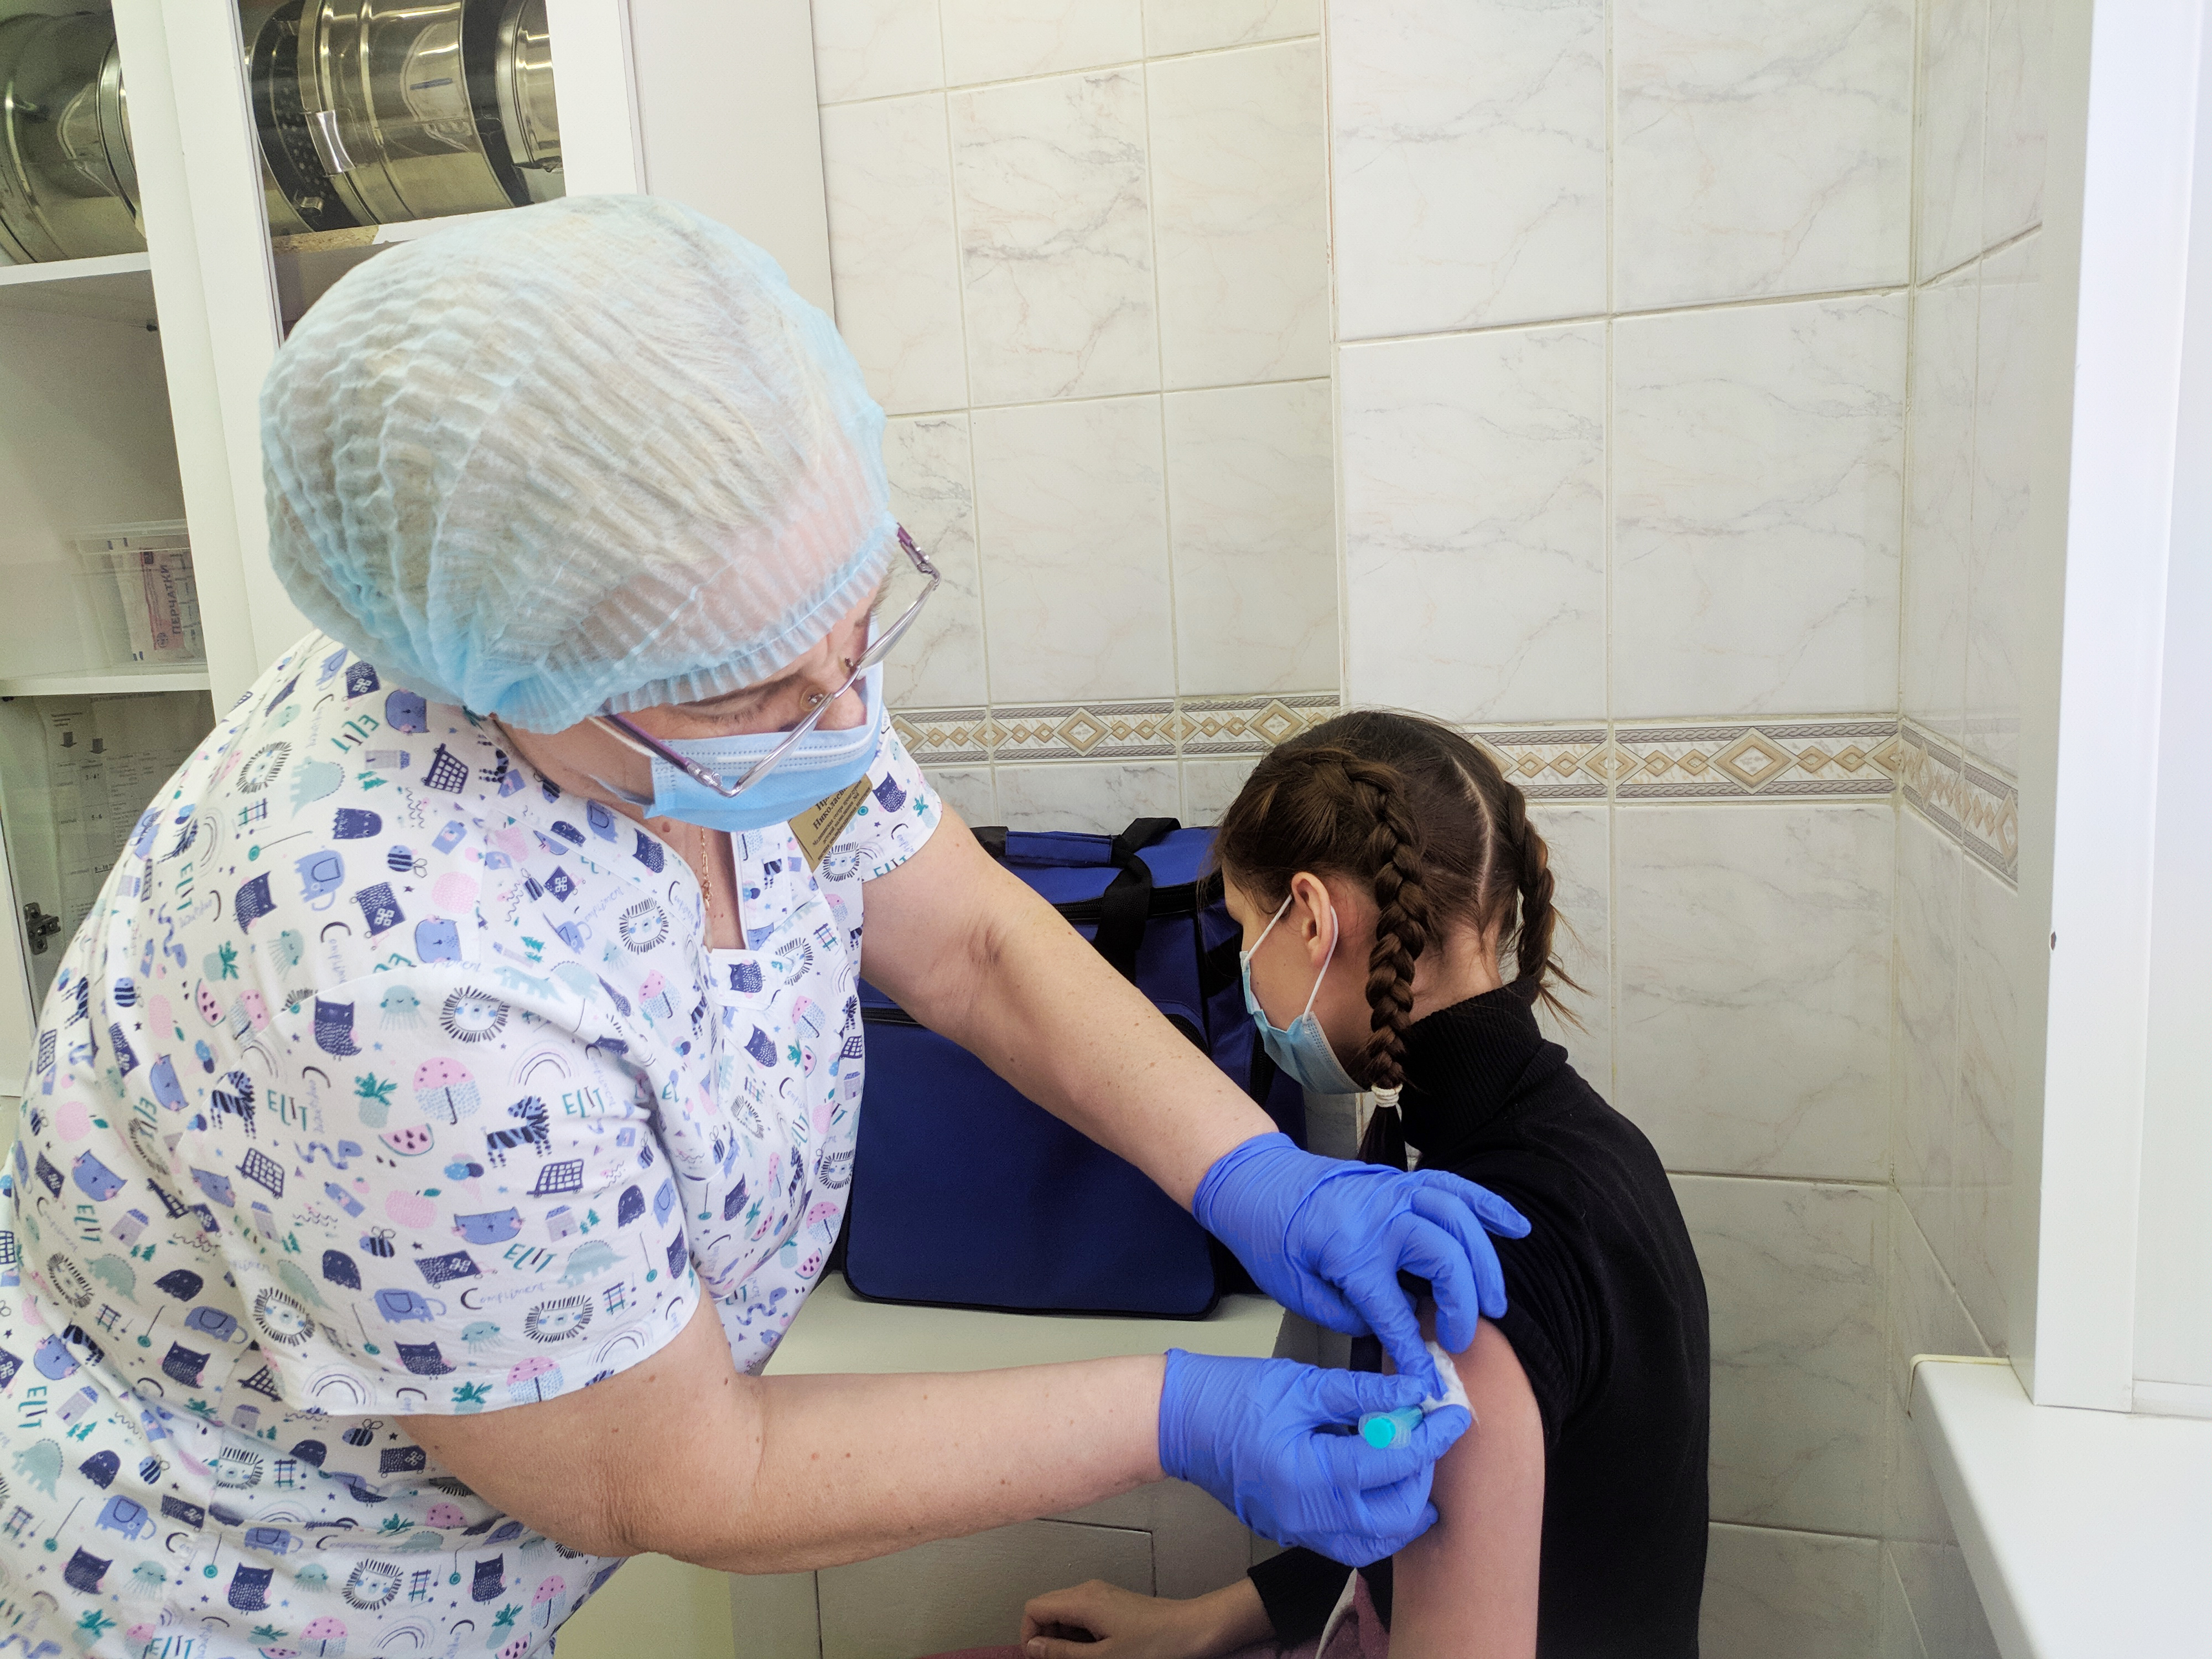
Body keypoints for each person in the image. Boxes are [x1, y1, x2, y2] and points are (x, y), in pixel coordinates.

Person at [0, 198, 1534, 1659]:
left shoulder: (752, 682)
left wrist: (1251, 1172)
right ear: (525, 677)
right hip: (239, 1596)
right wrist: (1181, 1416)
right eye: (762, 691)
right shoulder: (398, 979)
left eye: (859, 627)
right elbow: (676, 1468)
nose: (844, 715)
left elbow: (965, 938)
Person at [1019, 712, 1711, 1659]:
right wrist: (1198, 1621)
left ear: (1310, 918)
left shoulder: (1465, 1267)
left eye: (1242, 931)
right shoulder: (1589, 1141)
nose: (1247, 974)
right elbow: (1428, 1515)